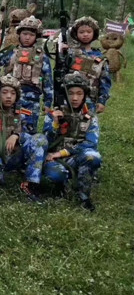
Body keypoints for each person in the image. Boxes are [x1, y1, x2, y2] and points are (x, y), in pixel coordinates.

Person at [0, 74, 48, 202]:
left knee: (40, 139)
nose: (9, 96)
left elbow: (32, 138)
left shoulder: (23, 115)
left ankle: (32, 184)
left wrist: (17, 135)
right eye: (4, 92)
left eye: (13, 93)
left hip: (16, 156)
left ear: (17, 96)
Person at [42, 72, 102, 211]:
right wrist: (55, 124)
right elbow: (45, 142)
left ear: (85, 95)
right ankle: (61, 186)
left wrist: (62, 153)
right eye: (71, 93)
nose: (75, 98)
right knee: (57, 174)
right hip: (55, 159)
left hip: (74, 156)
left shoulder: (90, 117)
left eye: (79, 94)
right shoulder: (54, 114)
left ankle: (84, 197)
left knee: (93, 156)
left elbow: (90, 143)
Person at [0, 16, 53, 133]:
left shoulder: (42, 57)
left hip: (32, 100)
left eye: (31, 35)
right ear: (19, 35)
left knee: (29, 129)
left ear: (36, 37)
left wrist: (48, 102)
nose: (27, 37)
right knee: (9, 126)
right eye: (25, 34)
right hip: (11, 98)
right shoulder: (11, 53)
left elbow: (48, 80)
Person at [66, 17, 111, 114]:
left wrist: (102, 101)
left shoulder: (100, 58)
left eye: (89, 32)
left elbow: (105, 81)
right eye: (81, 32)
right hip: (69, 100)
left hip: (90, 101)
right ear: (76, 33)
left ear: (94, 33)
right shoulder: (69, 54)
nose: (85, 34)